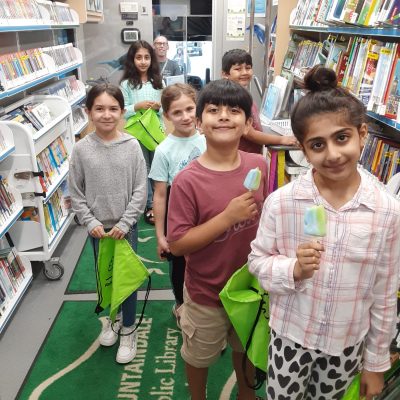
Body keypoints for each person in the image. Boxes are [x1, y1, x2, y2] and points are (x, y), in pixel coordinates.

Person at [248, 66, 400, 400]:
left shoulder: (386, 211)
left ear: (362, 134)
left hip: (346, 344)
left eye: (341, 138)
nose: (332, 154)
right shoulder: (283, 202)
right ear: (302, 148)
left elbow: (385, 293)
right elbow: (257, 263)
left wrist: (375, 364)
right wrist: (294, 269)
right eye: (317, 145)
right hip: (291, 335)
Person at [167, 79, 268, 400]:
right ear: (199, 122)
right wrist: (227, 217)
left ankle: (246, 394)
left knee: (247, 348)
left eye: (234, 111)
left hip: (251, 289)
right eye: (213, 110)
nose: (224, 116)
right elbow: (179, 244)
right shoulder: (187, 181)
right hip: (205, 292)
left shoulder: (260, 165)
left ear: (248, 124)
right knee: (198, 356)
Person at [68, 83, 147, 364]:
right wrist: (89, 221)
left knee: (127, 279)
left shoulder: (132, 146)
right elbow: (75, 191)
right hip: (98, 231)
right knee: (107, 277)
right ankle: (112, 321)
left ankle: (128, 328)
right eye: (99, 108)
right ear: (88, 112)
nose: (106, 114)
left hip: (126, 230)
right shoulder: (80, 150)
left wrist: (126, 222)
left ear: (122, 111)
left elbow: (140, 189)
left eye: (113, 108)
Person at [149, 83, 206, 326]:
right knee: (179, 265)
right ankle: (181, 306)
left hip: (206, 212)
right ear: (167, 116)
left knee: (206, 260)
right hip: (178, 214)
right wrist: (160, 236)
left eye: (190, 109)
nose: (186, 117)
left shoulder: (208, 140)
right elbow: (160, 195)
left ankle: (207, 309)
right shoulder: (163, 150)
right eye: (177, 112)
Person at [120, 40, 164, 225]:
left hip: (155, 130)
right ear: (132, 60)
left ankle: (161, 203)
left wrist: (159, 107)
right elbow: (122, 110)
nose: (143, 61)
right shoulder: (127, 84)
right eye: (139, 57)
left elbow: (165, 108)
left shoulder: (158, 81)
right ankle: (149, 205)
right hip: (137, 133)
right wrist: (136, 106)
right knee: (143, 168)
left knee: (159, 167)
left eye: (147, 57)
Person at [222, 49, 298, 154]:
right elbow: (249, 133)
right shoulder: (232, 99)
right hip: (243, 157)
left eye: (248, 68)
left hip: (252, 154)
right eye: (238, 69)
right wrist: (282, 139)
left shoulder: (243, 94)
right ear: (225, 74)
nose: (244, 72)